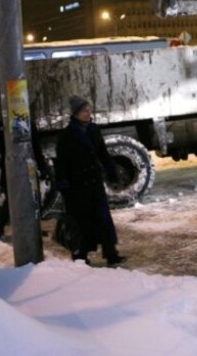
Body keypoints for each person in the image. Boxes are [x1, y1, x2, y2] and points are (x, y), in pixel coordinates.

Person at [55, 95, 125, 266]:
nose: (88, 113)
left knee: (103, 219)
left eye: (89, 110)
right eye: (84, 110)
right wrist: (63, 183)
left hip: (94, 182)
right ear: (76, 113)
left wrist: (111, 170)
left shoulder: (93, 130)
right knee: (81, 222)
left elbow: (102, 153)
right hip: (77, 187)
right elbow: (61, 162)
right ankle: (80, 255)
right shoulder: (66, 136)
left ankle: (111, 253)